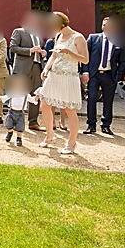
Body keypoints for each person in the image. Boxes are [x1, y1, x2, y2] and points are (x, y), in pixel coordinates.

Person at [38, 12, 88, 154]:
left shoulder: (78, 37)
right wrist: (46, 69)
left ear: (61, 23)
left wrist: (69, 52)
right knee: (44, 104)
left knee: (69, 109)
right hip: (54, 76)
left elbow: (85, 60)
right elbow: (53, 55)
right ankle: (50, 135)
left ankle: (71, 143)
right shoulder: (58, 36)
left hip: (69, 77)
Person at [80, 16, 125, 135]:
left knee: (108, 101)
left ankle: (106, 125)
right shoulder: (93, 38)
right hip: (94, 74)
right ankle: (91, 125)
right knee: (91, 99)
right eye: (103, 25)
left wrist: (118, 76)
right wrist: (85, 72)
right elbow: (85, 56)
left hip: (109, 75)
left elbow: (123, 61)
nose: (105, 27)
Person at [10, 12, 48, 131]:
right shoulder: (19, 32)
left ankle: (33, 122)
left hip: (37, 67)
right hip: (22, 68)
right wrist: (30, 50)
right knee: (18, 94)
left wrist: (43, 53)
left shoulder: (39, 36)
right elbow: (13, 48)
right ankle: (14, 121)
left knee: (35, 94)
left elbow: (43, 50)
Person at [0, 75, 38, 147]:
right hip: (11, 111)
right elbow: (4, 98)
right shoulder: (12, 93)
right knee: (8, 123)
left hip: (21, 113)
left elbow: (33, 100)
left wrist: (37, 97)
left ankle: (19, 138)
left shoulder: (26, 95)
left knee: (20, 127)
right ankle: (10, 133)